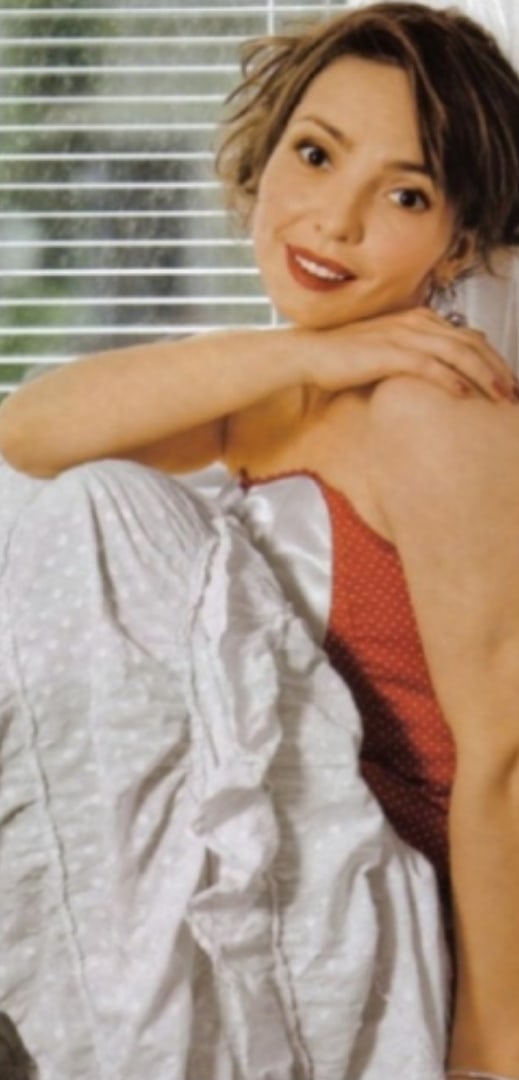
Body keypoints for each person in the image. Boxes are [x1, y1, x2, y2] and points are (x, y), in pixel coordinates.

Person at [0, 3, 519, 1078]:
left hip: (400, 919)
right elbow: (29, 432)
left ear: (461, 239)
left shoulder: (434, 412)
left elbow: (507, 755)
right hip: (290, 873)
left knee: (108, 512)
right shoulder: (284, 392)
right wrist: (305, 356)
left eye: (405, 194)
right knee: (80, 497)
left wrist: (490, 1050)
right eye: (316, 154)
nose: (335, 221)